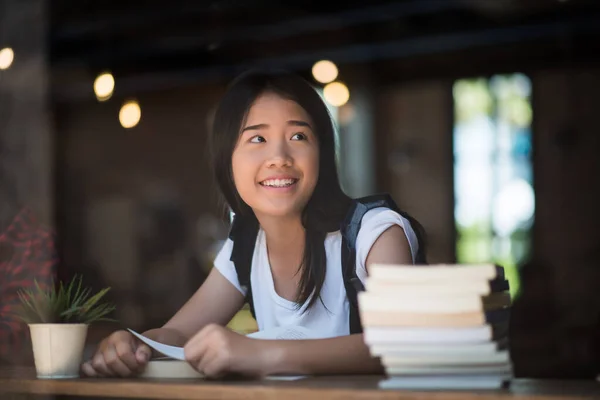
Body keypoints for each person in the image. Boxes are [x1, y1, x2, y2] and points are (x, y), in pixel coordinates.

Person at [82, 70, 426, 378]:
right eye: (257, 139)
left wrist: (262, 352)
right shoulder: (246, 243)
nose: (279, 157)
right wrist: (132, 345)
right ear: (227, 160)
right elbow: (177, 335)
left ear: (322, 152)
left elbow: (401, 343)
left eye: (298, 137)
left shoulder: (374, 233)